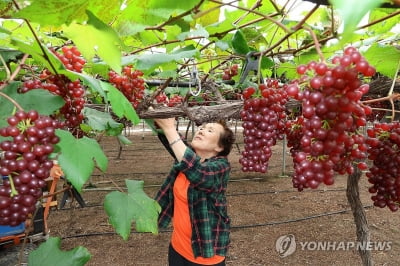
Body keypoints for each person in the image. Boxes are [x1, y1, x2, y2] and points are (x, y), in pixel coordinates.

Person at [154, 117, 235, 266]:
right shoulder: (188, 156)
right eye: (202, 128)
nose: (202, 130)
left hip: (206, 254)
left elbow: (199, 173)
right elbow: (171, 141)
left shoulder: (221, 167)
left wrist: (170, 129)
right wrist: (156, 114)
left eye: (210, 130)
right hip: (178, 248)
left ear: (219, 147)